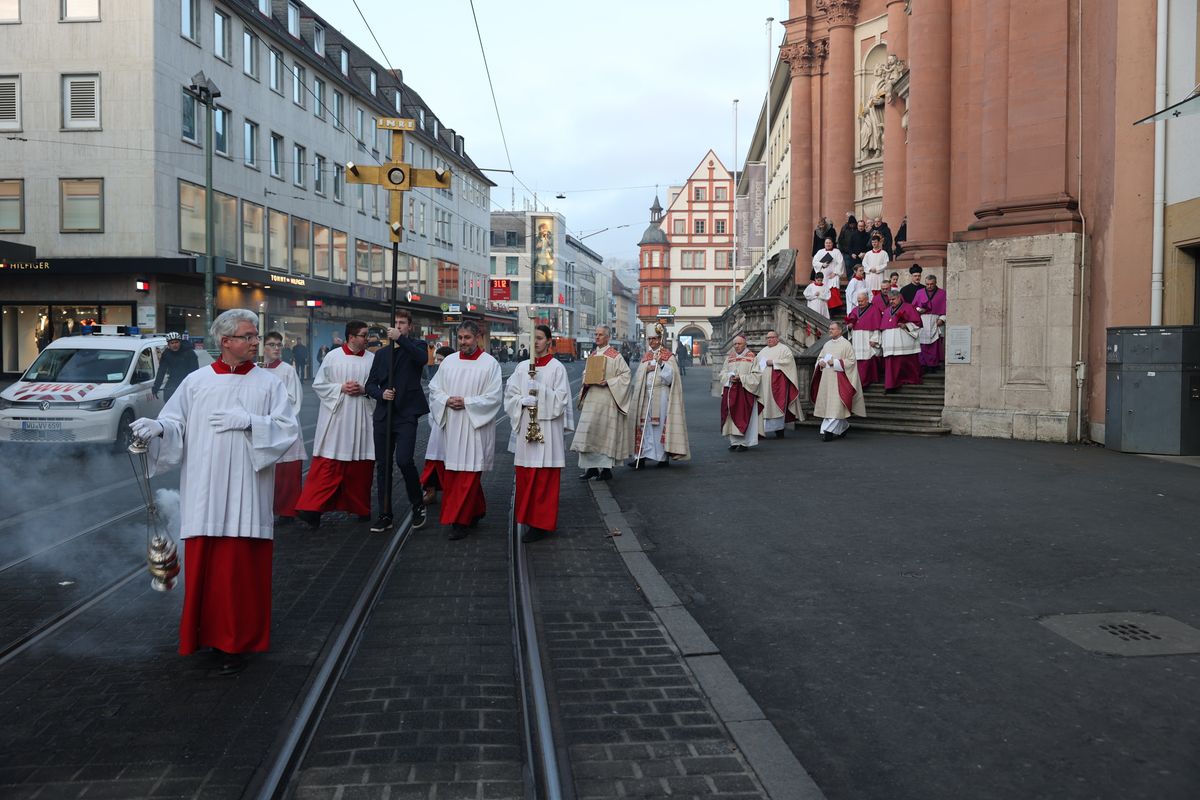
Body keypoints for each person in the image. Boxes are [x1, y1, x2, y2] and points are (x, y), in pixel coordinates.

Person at [130, 309, 300, 676]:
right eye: (248, 336)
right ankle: (205, 635)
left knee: (240, 572)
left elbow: (288, 429)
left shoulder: (269, 384)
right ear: (225, 342)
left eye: (255, 336)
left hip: (248, 490)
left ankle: (237, 641)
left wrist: (251, 422)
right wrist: (158, 428)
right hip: (205, 489)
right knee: (206, 569)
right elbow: (175, 421)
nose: (255, 342)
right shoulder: (196, 382)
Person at [423, 320, 502, 540]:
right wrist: (447, 400)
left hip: (475, 428)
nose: (463, 342)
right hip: (453, 426)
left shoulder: (490, 364)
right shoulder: (448, 362)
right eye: (460, 337)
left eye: (467, 337)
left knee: (469, 475)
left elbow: (494, 397)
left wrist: (467, 402)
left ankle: (459, 522)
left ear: (477, 338)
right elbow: (434, 389)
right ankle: (476, 510)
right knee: (454, 474)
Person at [294, 321, 376, 529]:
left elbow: (379, 387)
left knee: (360, 465)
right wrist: (341, 388)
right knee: (329, 463)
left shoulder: (373, 359)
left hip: (362, 416)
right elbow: (319, 385)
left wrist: (364, 389)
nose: (367, 339)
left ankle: (360, 507)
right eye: (363, 335)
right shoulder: (332, 357)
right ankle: (312, 509)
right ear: (351, 337)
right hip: (336, 416)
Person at [505, 325, 574, 542]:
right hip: (526, 427)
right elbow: (510, 395)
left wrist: (540, 391)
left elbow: (561, 400)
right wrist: (521, 400)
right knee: (526, 476)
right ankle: (528, 518)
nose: (535, 342)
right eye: (533, 338)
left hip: (548, 431)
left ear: (549, 341)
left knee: (545, 478)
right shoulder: (521, 367)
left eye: (540, 338)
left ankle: (541, 523)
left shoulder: (557, 368)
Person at [364, 310, 430, 534]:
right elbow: (370, 384)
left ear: (409, 326)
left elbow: (421, 360)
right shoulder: (381, 354)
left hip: (406, 415)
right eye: (395, 323)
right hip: (384, 415)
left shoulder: (417, 346)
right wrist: (381, 393)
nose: (398, 326)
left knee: (404, 460)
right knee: (383, 466)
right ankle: (385, 514)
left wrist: (400, 339)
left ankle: (417, 504)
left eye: (402, 323)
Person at [571, 325, 632, 481]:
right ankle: (591, 469)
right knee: (589, 433)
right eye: (596, 334)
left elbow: (626, 375)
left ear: (608, 337)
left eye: (600, 335)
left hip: (607, 400)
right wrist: (586, 380)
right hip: (591, 399)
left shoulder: (615, 355)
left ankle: (606, 470)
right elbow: (586, 373)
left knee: (605, 435)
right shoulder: (592, 355)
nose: (597, 337)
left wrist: (609, 382)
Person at [262, 331, 307, 524]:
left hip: (284, 426)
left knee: (287, 472)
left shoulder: (287, 370)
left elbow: (295, 399)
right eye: (271, 344)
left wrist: (271, 405)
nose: (276, 348)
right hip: (263, 427)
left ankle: (288, 510)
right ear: (263, 347)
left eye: (279, 345)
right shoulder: (255, 369)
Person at [628, 329, 689, 468]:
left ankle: (662, 458)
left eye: (654, 338)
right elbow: (637, 376)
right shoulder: (646, 356)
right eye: (649, 339)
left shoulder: (668, 356)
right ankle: (640, 457)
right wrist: (646, 370)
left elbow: (672, 378)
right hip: (645, 394)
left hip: (661, 393)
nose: (651, 341)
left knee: (659, 425)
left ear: (660, 339)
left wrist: (661, 364)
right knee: (643, 425)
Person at [810, 321, 866, 441]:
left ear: (840, 331)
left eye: (833, 329)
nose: (830, 331)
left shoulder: (846, 344)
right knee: (830, 407)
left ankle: (828, 432)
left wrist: (835, 362)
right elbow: (820, 357)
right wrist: (820, 362)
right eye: (829, 329)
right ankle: (843, 427)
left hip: (839, 381)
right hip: (826, 380)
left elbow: (851, 362)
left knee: (836, 406)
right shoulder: (827, 344)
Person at [757, 330, 803, 438]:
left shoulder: (784, 349)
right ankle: (761, 431)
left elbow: (789, 362)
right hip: (763, 385)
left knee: (776, 407)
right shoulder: (762, 351)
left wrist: (773, 362)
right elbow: (756, 364)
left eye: (772, 337)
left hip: (777, 385)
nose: (769, 339)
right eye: (768, 338)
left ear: (777, 338)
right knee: (764, 406)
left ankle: (779, 430)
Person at [719, 334, 761, 451]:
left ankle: (744, 443)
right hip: (731, 390)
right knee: (730, 416)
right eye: (735, 344)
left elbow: (757, 375)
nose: (736, 346)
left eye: (739, 344)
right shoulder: (730, 357)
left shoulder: (752, 357)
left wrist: (741, 378)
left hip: (745, 391)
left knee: (743, 416)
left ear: (745, 344)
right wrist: (729, 377)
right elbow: (722, 372)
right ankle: (734, 441)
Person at [880, 288, 923, 392]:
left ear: (899, 298)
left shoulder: (909, 307)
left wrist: (906, 326)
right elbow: (883, 328)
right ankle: (891, 385)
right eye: (890, 300)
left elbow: (918, 324)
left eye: (893, 299)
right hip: (890, 344)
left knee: (907, 362)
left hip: (904, 341)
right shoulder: (887, 311)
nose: (891, 301)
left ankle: (910, 380)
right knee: (891, 366)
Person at [845, 290, 884, 388]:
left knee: (869, 359)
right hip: (857, 339)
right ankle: (859, 382)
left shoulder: (874, 310)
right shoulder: (854, 310)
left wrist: (875, 339)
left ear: (867, 300)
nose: (860, 303)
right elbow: (850, 323)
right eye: (858, 301)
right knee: (858, 360)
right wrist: (849, 327)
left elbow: (877, 326)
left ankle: (867, 381)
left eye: (862, 301)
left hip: (868, 338)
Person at [152, 332, 200, 403]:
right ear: (168, 344)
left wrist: (194, 386)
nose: (174, 345)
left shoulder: (189, 352)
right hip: (173, 382)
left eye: (176, 342)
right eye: (172, 343)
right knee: (168, 399)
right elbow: (161, 371)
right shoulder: (166, 354)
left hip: (187, 382)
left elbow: (195, 371)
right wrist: (156, 387)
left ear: (180, 342)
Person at [914, 274, 947, 372]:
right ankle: (923, 364)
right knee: (922, 344)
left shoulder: (942, 293)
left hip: (935, 320)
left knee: (934, 344)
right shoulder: (919, 292)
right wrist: (919, 310)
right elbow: (913, 306)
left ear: (936, 283)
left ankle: (933, 365)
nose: (929, 286)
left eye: (931, 284)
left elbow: (947, 309)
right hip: (922, 320)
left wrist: (942, 319)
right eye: (927, 284)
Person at [812, 238, 845, 313]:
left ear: (832, 243)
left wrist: (835, 272)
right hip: (823, 276)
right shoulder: (820, 252)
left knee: (833, 292)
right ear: (824, 244)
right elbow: (814, 262)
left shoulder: (837, 251)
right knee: (824, 292)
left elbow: (841, 263)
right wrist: (822, 264)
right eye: (826, 243)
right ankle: (827, 308)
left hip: (833, 276)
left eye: (830, 243)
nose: (828, 244)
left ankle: (834, 309)